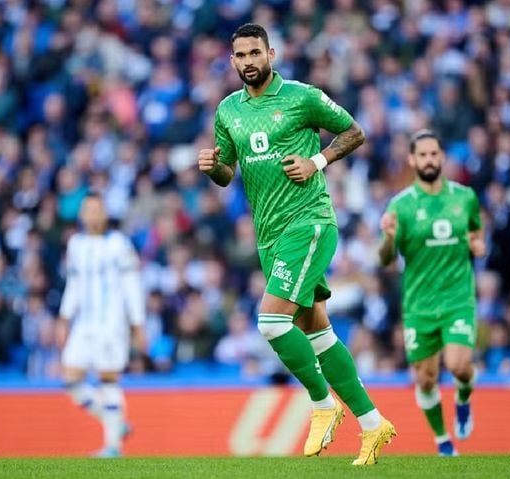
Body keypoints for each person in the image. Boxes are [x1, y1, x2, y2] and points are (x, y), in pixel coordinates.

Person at [198, 23, 396, 465]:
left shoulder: (302, 97)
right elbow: (228, 173)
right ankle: (372, 423)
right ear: (232, 62)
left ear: (272, 53)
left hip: (308, 224)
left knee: (270, 321)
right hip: (269, 236)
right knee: (317, 332)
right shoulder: (228, 110)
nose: (248, 61)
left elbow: (354, 131)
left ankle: (323, 405)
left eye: (255, 53)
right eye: (241, 56)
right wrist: (213, 167)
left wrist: (317, 160)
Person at [379, 129, 485, 456]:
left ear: (442, 158)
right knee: (425, 379)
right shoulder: (401, 205)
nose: (428, 160)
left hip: (457, 299)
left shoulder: (464, 197)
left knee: (457, 366)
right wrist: (388, 238)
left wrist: (478, 244)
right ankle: (442, 439)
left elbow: (476, 232)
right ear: (412, 160)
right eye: (422, 155)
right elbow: (385, 260)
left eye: (434, 154)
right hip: (419, 304)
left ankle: (463, 396)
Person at [57, 193, 147, 457]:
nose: (93, 215)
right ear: (82, 215)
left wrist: (138, 324)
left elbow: (132, 286)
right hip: (84, 324)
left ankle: (112, 446)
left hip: (112, 324)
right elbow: (73, 285)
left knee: (109, 380)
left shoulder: (119, 244)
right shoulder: (75, 244)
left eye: (98, 209)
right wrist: (64, 318)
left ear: (105, 213)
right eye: (89, 210)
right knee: (70, 378)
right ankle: (115, 424)